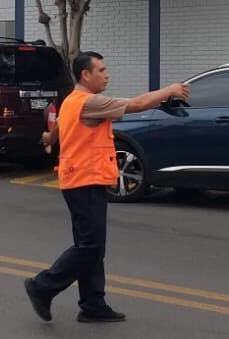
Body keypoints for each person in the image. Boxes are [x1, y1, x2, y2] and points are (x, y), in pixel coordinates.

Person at [24, 52, 189, 324]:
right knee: (90, 247)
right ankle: (43, 286)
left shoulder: (71, 101)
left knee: (90, 246)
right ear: (85, 75)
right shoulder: (90, 102)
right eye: (101, 69)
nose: (107, 74)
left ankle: (92, 304)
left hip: (79, 181)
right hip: (85, 182)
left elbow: (59, 128)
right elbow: (136, 104)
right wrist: (169, 90)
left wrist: (49, 137)